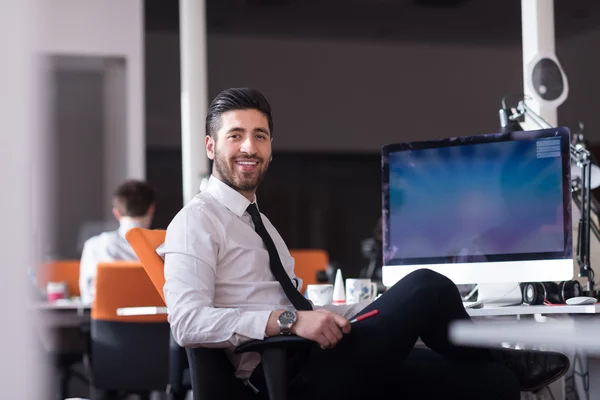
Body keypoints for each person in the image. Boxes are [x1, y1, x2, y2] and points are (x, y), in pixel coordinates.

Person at [159, 88, 568, 400]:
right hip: (285, 376)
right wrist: (287, 322)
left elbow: (293, 304)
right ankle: (507, 354)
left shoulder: (258, 222)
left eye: (260, 136)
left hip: (317, 353)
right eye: (236, 136)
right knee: (427, 285)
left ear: (270, 149)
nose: (249, 147)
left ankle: (503, 364)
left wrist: (350, 310)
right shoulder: (195, 222)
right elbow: (187, 322)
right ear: (212, 146)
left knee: (492, 382)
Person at [79, 179, 155, 305]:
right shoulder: (166, 246)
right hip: (158, 323)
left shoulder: (94, 246)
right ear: (151, 209)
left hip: (108, 323)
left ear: (117, 213)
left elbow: (88, 298)